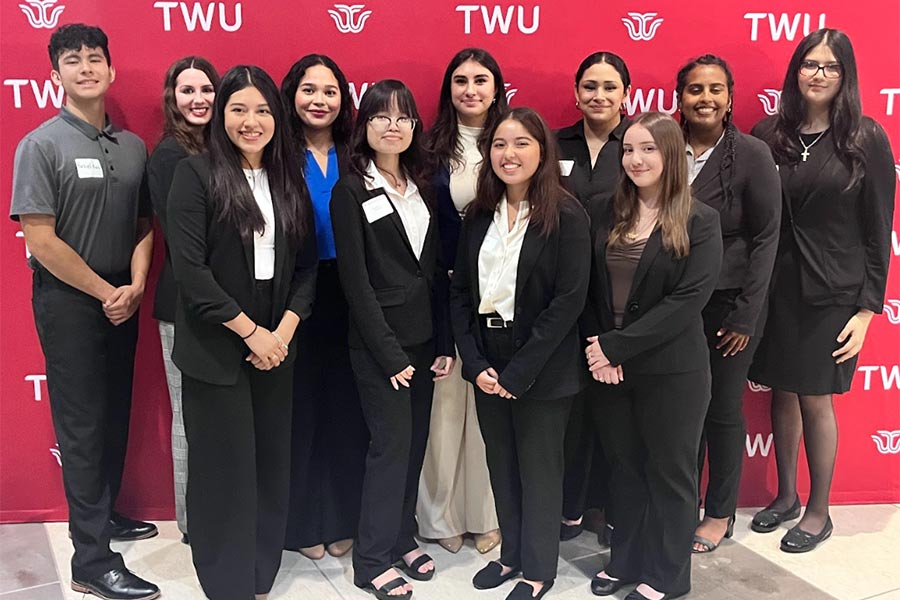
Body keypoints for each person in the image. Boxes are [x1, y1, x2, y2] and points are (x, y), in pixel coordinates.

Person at [10, 23, 159, 600]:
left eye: (95, 58)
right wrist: (105, 291)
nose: (86, 67)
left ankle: (106, 514)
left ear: (111, 70)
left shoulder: (132, 146)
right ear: (56, 75)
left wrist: (137, 282)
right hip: (72, 302)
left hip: (125, 297)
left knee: (114, 412)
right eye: (72, 60)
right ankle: (91, 559)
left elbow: (145, 223)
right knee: (82, 424)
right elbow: (40, 239)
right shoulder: (41, 144)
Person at [166, 65, 318, 600]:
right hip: (218, 345)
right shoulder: (196, 174)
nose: (251, 122)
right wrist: (251, 333)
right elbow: (191, 271)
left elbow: (307, 267)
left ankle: (260, 570)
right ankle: (226, 581)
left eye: (262, 110)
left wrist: (283, 332)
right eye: (238, 109)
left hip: (277, 345)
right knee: (223, 470)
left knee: (270, 463)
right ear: (221, 115)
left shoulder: (288, 177)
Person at [748, 28, 895, 553]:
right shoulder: (771, 133)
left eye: (831, 67)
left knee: (814, 396)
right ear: (796, 71)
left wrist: (867, 308)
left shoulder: (866, 137)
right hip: (774, 287)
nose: (818, 74)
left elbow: (880, 228)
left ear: (845, 75)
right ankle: (785, 496)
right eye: (810, 64)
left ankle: (817, 511)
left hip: (833, 290)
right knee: (782, 391)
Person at [451, 107, 590, 600]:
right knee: (501, 465)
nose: (509, 154)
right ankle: (511, 556)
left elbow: (569, 301)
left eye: (521, 143)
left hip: (543, 366)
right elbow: (462, 295)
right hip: (489, 359)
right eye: (499, 145)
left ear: (543, 151)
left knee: (538, 469)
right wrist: (475, 363)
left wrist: (520, 371)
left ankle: (538, 569)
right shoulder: (479, 214)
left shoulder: (567, 215)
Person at [583, 112, 722, 600]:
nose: (636, 159)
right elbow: (588, 288)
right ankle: (626, 562)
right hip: (610, 369)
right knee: (625, 469)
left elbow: (688, 302)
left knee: (670, 474)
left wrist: (616, 347)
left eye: (648, 149)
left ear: (671, 156)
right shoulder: (606, 210)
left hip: (672, 371)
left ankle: (665, 576)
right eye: (628, 149)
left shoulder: (701, 220)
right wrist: (601, 349)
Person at [330, 79, 454, 600]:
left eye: (404, 118)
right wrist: (387, 354)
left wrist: (446, 342)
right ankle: (371, 558)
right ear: (365, 125)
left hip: (426, 341)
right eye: (382, 116)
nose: (393, 126)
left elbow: (438, 270)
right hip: (381, 347)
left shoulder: (424, 183)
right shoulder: (350, 189)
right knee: (390, 447)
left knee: (415, 445)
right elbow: (355, 283)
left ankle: (402, 536)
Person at [674, 54, 781, 554]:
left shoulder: (753, 154)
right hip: (675, 306)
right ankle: (679, 505)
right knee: (679, 412)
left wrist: (746, 313)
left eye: (715, 89)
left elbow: (766, 238)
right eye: (695, 89)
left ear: (730, 98)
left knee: (720, 410)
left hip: (729, 309)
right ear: (680, 98)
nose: (705, 99)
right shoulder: (665, 149)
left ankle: (718, 512)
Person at [280, 53, 368, 562]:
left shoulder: (356, 152)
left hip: (352, 292)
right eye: (310, 90)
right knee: (300, 411)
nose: (320, 100)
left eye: (330, 91)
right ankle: (302, 521)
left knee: (347, 411)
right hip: (294, 294)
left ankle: (342, 518)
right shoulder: (274, 151)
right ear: (292, 95)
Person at [418, 47, 506, 556]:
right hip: (443, 290)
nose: (470, 89)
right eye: (460, 80)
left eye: (480, 79)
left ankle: (485, 514)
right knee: (446, 407)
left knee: (489, 407)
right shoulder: (429, 149)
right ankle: (438, 514)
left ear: (496, 87)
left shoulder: (513, 140)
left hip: (498, 291)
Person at [555, 51, 631, 544]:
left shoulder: (641, 142)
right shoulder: (555, 141)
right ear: (576, 91)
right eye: (589, 86)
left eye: (609, 86)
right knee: (573, 408)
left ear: (627, 91)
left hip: (618, 290)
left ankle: (616, 509)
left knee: (618, 405)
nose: (598, 96)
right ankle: (572, 506)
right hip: (562, 290)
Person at [147, 55, 219, 546]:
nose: (198, 99)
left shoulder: (222, 148)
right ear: (172, 98)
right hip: (183, 304)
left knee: (211, 417)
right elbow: (186, 240)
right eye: (187, 90)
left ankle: (215, 511)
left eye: (206, 89)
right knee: (187, 415)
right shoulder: (171, 155)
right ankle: (194, 522)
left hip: (220, 303)